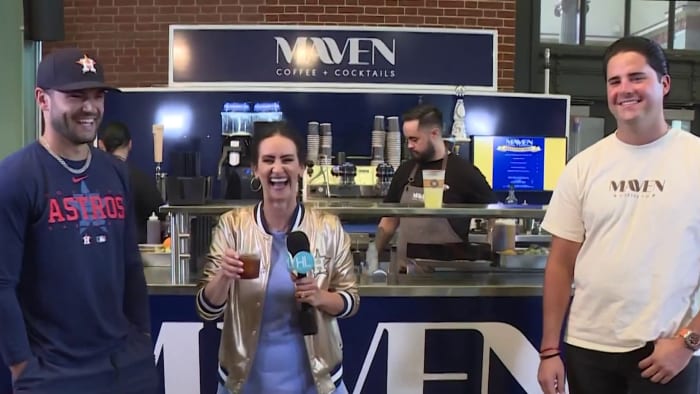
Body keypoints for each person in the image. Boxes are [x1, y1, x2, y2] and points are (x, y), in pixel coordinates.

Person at [537, 36, 700, 394]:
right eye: (615, 81)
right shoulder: (583, 166)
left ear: (664, 83)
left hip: (666, 351)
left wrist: (689, 341)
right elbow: (561, 264)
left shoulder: (695, 160)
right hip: (588, 350)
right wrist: (550, 350)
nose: (625, 89)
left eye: (636, 77)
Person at [0, 48, 158, 393]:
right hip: (55, 373)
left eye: (97, 95)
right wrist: (21, 365)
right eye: (76, 96)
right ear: (42, 99)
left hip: (126, 367)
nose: (90, 107)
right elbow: (2, 284)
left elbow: (130, 264)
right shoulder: (15, 177)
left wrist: (142, 338)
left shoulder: (116, 173)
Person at [195, 121, 359, 394]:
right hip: (245, 383)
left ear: (302, 167)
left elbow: (351, 300)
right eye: (268, 160)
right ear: (256, 169)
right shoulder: (233, 226)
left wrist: (320, 297)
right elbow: (207, 309)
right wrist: (224, 275)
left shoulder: (328, 228)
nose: (277, 169)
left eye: (287, 160)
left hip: (317, 383)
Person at [375, 103, 496, 272]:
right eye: (407, 139)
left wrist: (491, 256)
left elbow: (496, 216)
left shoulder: (465, 172)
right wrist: (371, 259)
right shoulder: (405, 171)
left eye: (414, 139)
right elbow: (389, 221)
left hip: (448, 281)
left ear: (434, 134)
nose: (409, 145)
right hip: (406, 277)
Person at [98, 121, 166, 244]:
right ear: (130, 145)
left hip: (102, 249)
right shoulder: (142, 180)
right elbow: (162, 216)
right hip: (139, 251)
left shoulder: (91, 181)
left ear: (101, 145)